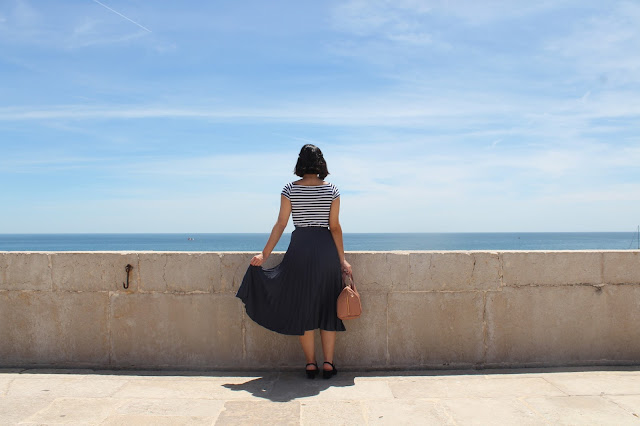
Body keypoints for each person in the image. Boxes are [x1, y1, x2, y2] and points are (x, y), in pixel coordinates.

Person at [236, 144, 352, 379]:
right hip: (326, 251)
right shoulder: (332, 190)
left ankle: (310, 364)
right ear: (321, 162)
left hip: (300, 248)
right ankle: (328, 364)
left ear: (300, 162)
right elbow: (335, 227)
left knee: (304, 308)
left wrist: (264, 254)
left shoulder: (290, 189)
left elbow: (281, 224)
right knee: (328, 308)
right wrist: (342, 260)